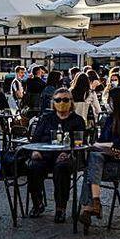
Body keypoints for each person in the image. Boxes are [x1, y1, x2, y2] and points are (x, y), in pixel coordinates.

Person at [79, 87, 120, 230]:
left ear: (118, 102)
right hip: (106, 163)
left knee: (91, 166)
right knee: (94, 161)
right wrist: (102, 146)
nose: (108, 103)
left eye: (111, 100)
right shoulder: (110, 119)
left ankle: (91, 205)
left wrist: (101, 146)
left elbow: (119, 149)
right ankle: (93, 205)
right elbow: (102, 142)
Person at [27, 88, 85, 221]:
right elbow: (35, 139)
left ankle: (60, 208)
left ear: (71, 102)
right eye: (58, 100)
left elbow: (80, 142)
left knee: (61, 168)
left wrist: (69, 153)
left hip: (68, 157)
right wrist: (36, 151)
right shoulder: (46, 118)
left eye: (65, 99)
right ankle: (37, 203)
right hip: (45, 156)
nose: (61, 102)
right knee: (33, 166)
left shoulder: (77, 120)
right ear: (53, 102)